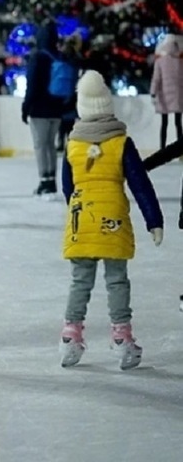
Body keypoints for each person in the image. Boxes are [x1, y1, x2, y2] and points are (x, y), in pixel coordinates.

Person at [58, 71, 163, 370]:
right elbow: (139, 183)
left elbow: (68, 187)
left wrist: (78, 215)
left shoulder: (72, 144)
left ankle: (70, 337)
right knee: (116, 280)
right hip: (113, 220)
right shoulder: (120, 142)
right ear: (107, 105)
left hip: (81, 220)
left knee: (80, 280)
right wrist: (153, 220)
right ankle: (121, 339)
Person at [22, 23, 75, 198]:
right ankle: (51, 180)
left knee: (40, 145)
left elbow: (32, 86)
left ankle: (45, 181)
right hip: (56, 110)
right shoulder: (58, 56)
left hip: (39, 110)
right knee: (50, 145)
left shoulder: (37, 57)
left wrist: (25, 107)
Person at [150, 34, 183, 150]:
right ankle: (180, 149)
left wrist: (153, 92)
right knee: (178, 123)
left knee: (164, 124)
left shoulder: (160, 62)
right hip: (178, 96)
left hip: (163, 95)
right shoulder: (180, 62)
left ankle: (162, 148)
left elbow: (156, 78)